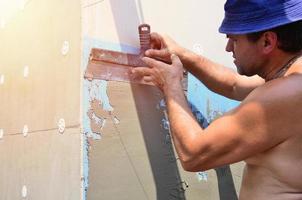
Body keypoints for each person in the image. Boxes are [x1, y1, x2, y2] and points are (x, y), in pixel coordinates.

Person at [130, 0, 302, 199]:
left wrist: (171, 86)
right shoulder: (290, 79)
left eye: (234, 40)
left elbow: (193, 155)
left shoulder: (284, 94)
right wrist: (182, 54)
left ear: (267, 42)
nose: (229, 48)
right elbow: (233, 85)